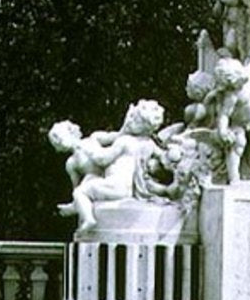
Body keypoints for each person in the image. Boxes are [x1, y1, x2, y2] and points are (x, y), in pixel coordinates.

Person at [48, 100, 165, 234]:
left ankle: (89, 219)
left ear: (72, 131)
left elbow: (109, 148)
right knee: (85, 185)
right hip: (110, 182)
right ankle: (79, 208)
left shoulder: (96, 138)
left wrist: (93, 151)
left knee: (80, 192)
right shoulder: (71, 163)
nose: (59, 142)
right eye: (56, 141)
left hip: (114, 183)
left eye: (59, 137)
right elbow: (77, 184)